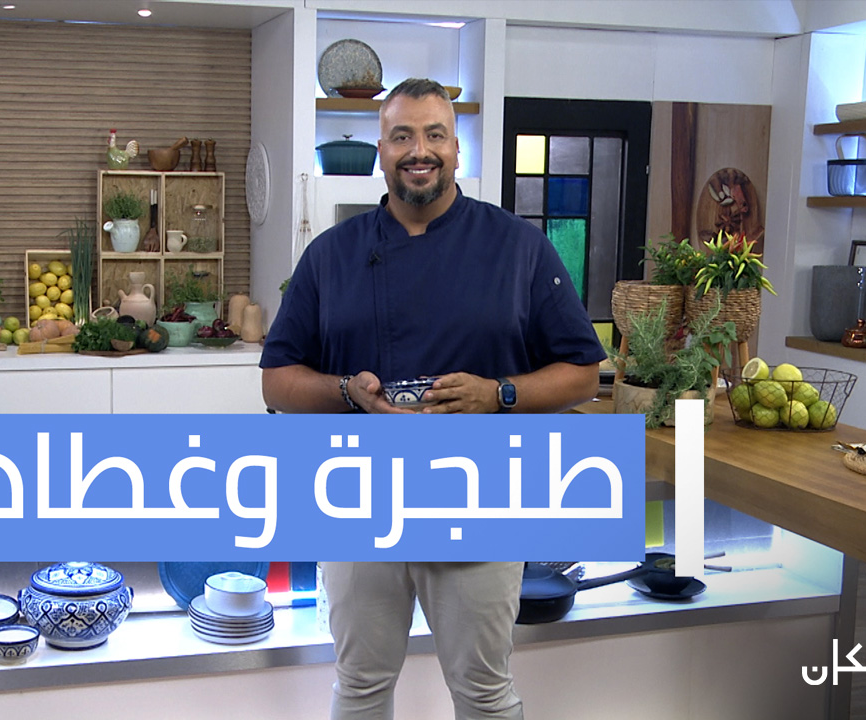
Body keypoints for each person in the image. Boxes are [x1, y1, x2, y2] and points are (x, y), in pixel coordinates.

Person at [259, 78, 606, 720]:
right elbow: (276, 378)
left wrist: (498, 393)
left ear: (455, 150)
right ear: (381, 152)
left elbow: (583, 371)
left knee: (483, 692)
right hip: (356, 498)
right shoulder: (331, 255)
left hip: (478, 499)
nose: (419, 150)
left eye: (434, 135)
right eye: (402, 136)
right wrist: (345, 392)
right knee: (360, 686)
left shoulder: (517, 248)